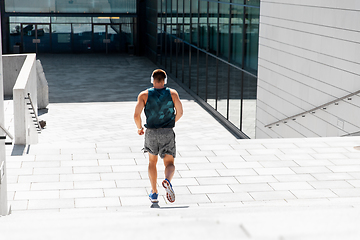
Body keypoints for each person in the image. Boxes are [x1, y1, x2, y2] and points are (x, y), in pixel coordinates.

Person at [134, 69, 183, 204]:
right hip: (167, 131)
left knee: (152, 162)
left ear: (152, 80)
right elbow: (180, 112)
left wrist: (139, 128)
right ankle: (167, 180)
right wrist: (170, 122)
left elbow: (136, 115)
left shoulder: (144, 95)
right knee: (169, 163)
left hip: (151, 132)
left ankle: (154, 193)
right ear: (165, 80)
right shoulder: (173, 94)